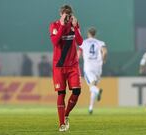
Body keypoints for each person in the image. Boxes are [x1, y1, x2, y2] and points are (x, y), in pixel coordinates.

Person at [49, 4, 83, 132]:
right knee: (61, 93)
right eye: (64, 13)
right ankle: (62, 123)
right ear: (60, 14)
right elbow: (55, 42)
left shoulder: (74, 25)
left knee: (77, 92)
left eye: (69, 13)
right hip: (59, 65)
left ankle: (66, 114)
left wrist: (75, 27)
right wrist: (63, 25)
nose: (67, 16)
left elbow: (80, 42)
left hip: (73, 65)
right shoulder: (54, 25)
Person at [78, 27, 107, 114]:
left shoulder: (83, 42)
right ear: (95, 34)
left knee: (92, 87)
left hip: (88, 67)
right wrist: (103, 59)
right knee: (93, 86)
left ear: (88, 33)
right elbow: (104, 52)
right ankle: (90, 108)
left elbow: (78, 54)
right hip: (98, 67)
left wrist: (76, 61)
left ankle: (98, 91)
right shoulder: (100, 43)